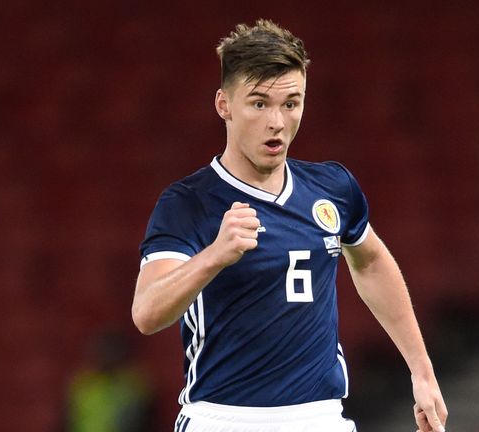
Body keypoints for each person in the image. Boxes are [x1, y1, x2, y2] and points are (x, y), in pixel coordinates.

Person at [132, 19, 447, 432]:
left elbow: (369, 263)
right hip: (224, 419)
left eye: (291, 103)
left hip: (319, 417)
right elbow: (147, 313)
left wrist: (421, 370)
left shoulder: (331, 188)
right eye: (259, 103)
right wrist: (213, 256)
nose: (277, 121)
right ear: (224, 104)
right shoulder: (189, 203)